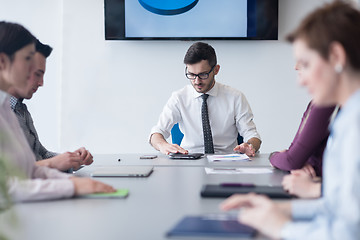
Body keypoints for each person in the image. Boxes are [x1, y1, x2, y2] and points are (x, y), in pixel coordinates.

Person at [220, 1, 360, 239]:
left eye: (306, 64)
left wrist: (279, 227)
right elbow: (340, 207)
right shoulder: (347, 120)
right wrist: (278, 210)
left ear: (336, 56)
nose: (300, 80)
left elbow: (347, 232)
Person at [0, 21, 115, 202]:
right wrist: (72, 185)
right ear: (3, 61)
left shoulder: (7, 108)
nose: (35, 76)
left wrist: (72, 176)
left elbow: (29, 170)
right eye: (28, 59)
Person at [149, 42, 261, 156]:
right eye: (191, 74)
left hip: (226, 161)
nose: (197, 81)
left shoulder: (235, 97)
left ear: (216, 70)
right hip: (189, 161)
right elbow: (157, 133)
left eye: (203, 75)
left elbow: (252, 135)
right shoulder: (179, 98)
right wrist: (163, 145)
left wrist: (250, 146)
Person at [7, 39, 93, 172]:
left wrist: (72, 159)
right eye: (37, 74)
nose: (41, 83)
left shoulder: (20, 109)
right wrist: (53, 163)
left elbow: (41, 155)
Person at [270, 61, 337, 198]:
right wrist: (297, 160)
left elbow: (291, 160)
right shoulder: (316, 103)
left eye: (304, 61)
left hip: (320, 192)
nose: (295, 67)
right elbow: (294, 153)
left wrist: (272, 156)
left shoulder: (326, 103)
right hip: (317, 189)